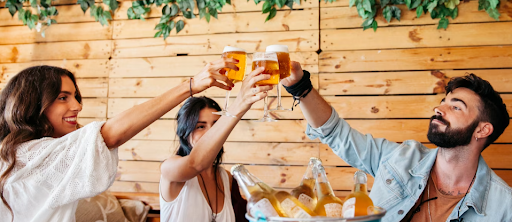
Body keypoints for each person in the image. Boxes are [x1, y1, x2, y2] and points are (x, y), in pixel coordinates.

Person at [0, 57, 250, 222]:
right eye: (63, 97)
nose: (77, 106)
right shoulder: (28, 155)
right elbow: (109, 134)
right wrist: (193, 85)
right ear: (32, 103)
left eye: (75, 96)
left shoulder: (225, 178)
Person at [281, 62, 512, 221]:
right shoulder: (399, 158)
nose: (438, 109)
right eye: (443, 101)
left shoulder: (504, 206)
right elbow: (336, 133)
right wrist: (300, 85)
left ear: (482, 130)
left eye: (455, 107)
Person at [159, 67, 273, 222]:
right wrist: (240, 103)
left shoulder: (226, 177)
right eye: (200, 126)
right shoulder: (170, 169)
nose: (211, 133)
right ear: (184, 133)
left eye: (216, 125)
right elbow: (194, 164)